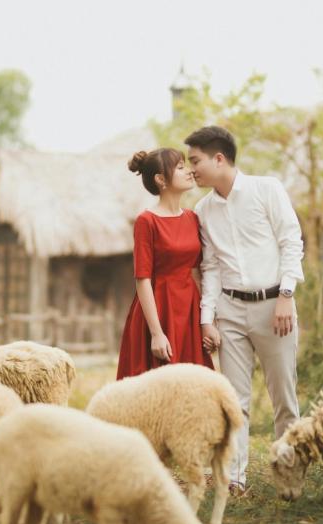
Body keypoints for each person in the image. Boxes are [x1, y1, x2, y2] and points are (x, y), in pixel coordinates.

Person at [187, 125, 304, 496]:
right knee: (235, 400)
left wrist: (286, 294)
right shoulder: (202, 209)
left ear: (218, 158)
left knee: (283, 395)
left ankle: (288, 476)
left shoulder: (266, 189)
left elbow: (291, 240)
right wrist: (208, 319)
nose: (192, 170)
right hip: (230, 311)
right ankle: (234, 482)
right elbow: (210, 268)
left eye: (195, 161)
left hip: (275, 306)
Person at [116, 148, 213, 380]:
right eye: (180, 167)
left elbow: (198, 272)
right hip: (158, 309)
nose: (189, 171)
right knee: (157, 387)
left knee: (195, 384)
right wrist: (156, 333)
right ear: (161, 179)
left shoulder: (192, 218)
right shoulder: (146, 221)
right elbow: (143, 279)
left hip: (189, 307)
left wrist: (207, 321)